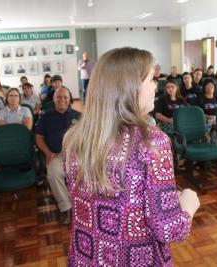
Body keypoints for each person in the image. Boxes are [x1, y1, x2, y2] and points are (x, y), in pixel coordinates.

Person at [62, 47, 199, 266]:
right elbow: (169, 229)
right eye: (151, 80)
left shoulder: (75, 139)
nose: (156, 86)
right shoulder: (152, 142)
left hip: (85, 257)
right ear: (131, 88)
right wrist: (188, 205)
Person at [35, 88, 81, 225]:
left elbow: (88, 136)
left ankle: (83, 205)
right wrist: (47, 152)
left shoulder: (79, 116)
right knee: (53, 173)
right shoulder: (45, 117)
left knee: (89, 172)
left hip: (76, 154)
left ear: (69, 99)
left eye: (65, 97)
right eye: (59, 97)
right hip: (56, 154)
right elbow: (39, 138)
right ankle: (66, 208)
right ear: (54, 99)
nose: (62, 100)